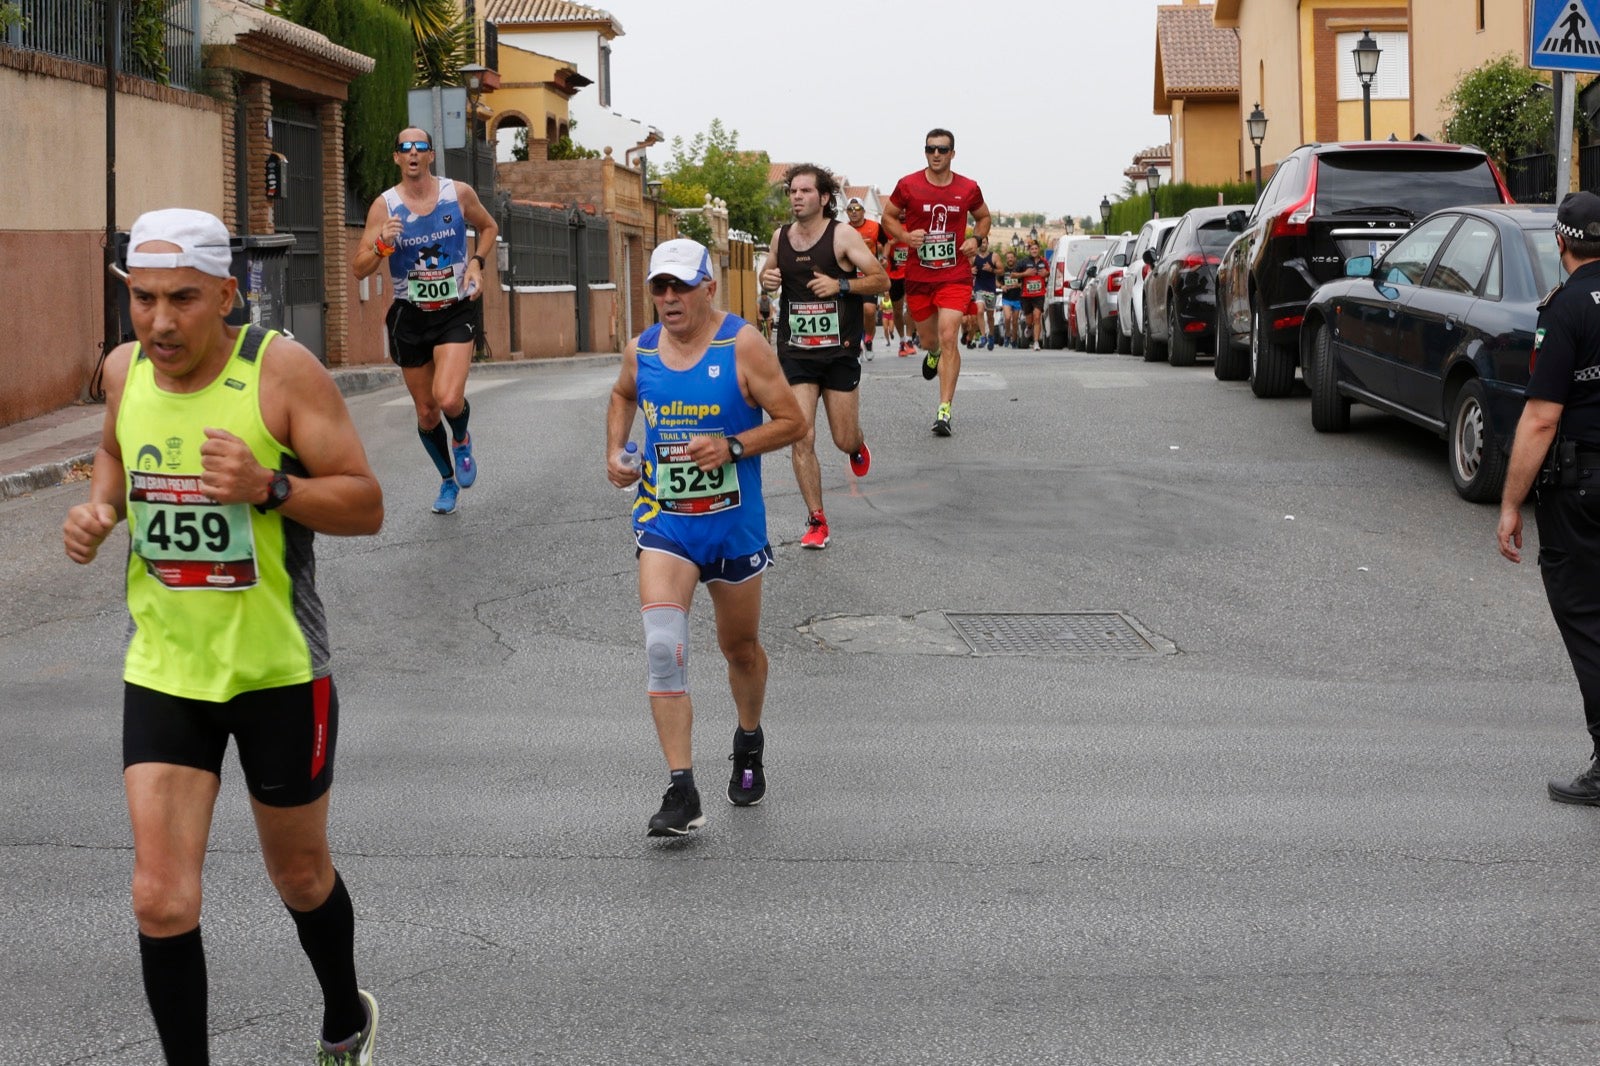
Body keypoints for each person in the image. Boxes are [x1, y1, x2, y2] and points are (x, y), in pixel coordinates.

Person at [62, 208, 385, 1065]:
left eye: (183, 300)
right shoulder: (123, 371)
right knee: (160, 900)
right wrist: (101, 509)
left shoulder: (282, 374)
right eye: (142, 299)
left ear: (228, 297)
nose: (160, 322)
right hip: (166, 667)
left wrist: (269, 487)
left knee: (301, 876)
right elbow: (113, 454)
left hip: (279, 670)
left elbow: (365, 503)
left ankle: (343, 1011)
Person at [606, 238, 806, 836]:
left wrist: (733, 446)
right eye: (659, 288)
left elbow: (793, 420)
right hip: (665, 524)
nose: (669, 299)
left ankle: (748, 741)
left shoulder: (741, 343)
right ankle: (681, 788)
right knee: (663, 649)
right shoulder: (641, 350)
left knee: (739, 649)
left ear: (708, 288)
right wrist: (616, 451)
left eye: (680, 287)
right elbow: (621, 395)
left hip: (733, 525)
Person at [1499, 190, 1600, 806]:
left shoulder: (1563, 310)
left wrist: (1511, 504)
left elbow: (1540, 418)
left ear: (1559, 243)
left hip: (1584, 487)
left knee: (1587, 619)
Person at [353, 127, 498, 515]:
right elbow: (359, 268)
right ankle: (447, 481)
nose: (413, 153)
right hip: (410, 316)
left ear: (431, 155)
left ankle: (462, 438)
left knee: (448, 398)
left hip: (454, 309)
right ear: (397, 158)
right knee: (427, 411)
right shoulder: (384, 207)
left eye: (420, 147)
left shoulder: (458, 193)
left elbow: (489, 227)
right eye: (405, 147)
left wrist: (476, 264)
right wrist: (382, 245)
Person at [760, 164, 889, 551]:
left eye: (805, 191)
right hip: (797, 352)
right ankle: (816, 519)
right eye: (792, 191)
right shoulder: (780, 237)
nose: (797, 197)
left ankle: (856, 445)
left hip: (839, 352)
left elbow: (880, 279)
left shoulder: (842, 235)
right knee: (801, 434)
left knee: (841, 437)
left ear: (824, 198)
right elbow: (768, 277)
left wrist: (841, 284)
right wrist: (767, 279)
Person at [881, 127, 991, 436]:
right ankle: (931, 354)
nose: (937, 154)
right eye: (931, 149)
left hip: (954, 275)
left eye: (942, 149)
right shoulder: (908, 185)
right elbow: (887, 217)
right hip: (919, 277)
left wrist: (977, 238)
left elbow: (984, 216)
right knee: (930, 341)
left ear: (953, 153)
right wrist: (904, 235)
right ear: (926, 152)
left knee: (948, 335)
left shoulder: (968, 188)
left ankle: (944, 409)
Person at [844, 197, 884, 359]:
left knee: (869, 310)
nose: (854, 212)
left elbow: (887, 242)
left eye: (857, 209)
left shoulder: (875, 227)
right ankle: (857, 343)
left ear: (863, 211)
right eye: (850, 210)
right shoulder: (843, 230)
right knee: (854, 313)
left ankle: (868, 339)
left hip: (869, 276)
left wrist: (884, 257)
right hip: (851, 277)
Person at [884, 232, 914, 357]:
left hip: (911, 273)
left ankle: (909, 339)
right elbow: (881, 248)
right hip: (894, 275)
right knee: (897, 310)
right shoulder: (888, 226)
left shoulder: (913, 222)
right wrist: (891, 243)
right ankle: (902, 341)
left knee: (912, 306)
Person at [1017, 241, 1049, 350]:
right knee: (1029, 319)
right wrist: (1025, 274)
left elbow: (1049, 272)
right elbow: (1013, 274)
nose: (1034, 251)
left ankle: (1036, 342)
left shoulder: (1044, 262)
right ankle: (1029, 326)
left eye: (1036, 248)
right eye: (1032, 249)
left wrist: (1047, 274)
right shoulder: (1023, 262)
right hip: (1026, 295)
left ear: (1038, 249)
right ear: (1029, 250)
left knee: (1037, 316)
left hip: (1039, 294)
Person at [971, 237, 1000, 350]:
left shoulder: (994, 256)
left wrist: (992, 269)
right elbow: (965, 270)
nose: (983, 245)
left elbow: (1001, 270)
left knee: (990, 316)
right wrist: (970, 271)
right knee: (979, 311)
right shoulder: (974, 257)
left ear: (988, 243)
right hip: (979, 288)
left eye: (984, 242)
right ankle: (983, 336)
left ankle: (991, 336)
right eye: (981, 243)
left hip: (990, 289)